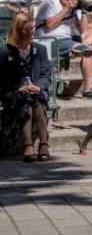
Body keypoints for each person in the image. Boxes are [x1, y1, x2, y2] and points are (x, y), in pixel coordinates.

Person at [0, 11, 52, 161]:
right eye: (26, 29)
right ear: (17, 30)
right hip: (14, 92)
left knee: (33, 98)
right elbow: (1, 78)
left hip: (36, 90)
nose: (30, 32)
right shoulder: (5, 51)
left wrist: (38, 86)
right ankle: (30, 144)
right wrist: (18, 87)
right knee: (26, 99)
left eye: (32, 28)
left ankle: (40, 144)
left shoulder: (40, 49)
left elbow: (46, 75)